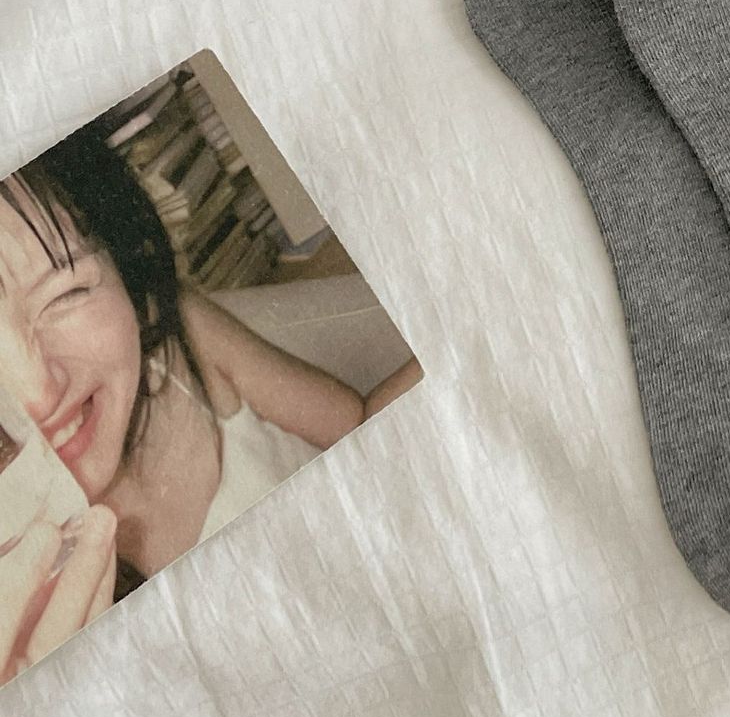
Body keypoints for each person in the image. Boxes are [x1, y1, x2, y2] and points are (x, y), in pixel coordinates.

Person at [0, 119, 421, 682]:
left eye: (66, 292)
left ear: (125, 271)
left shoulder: (180, 338)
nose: (38, 394)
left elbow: (360, 428)